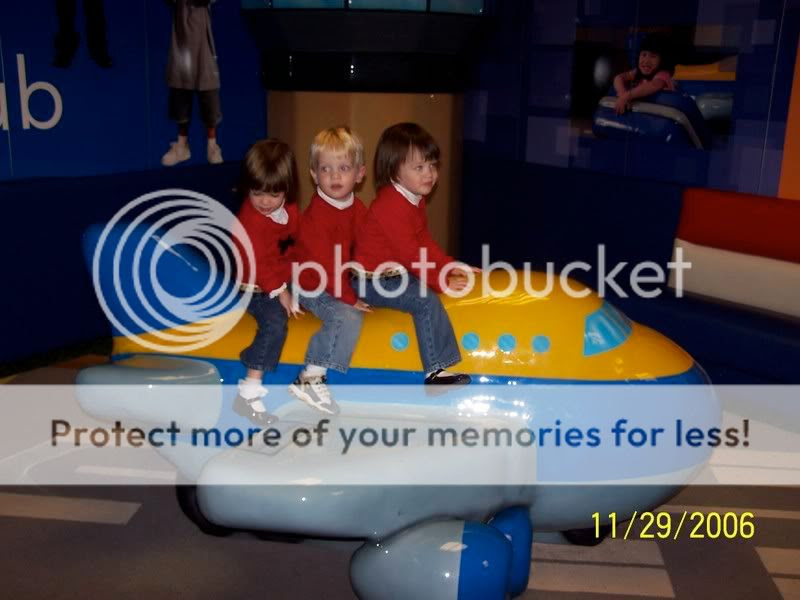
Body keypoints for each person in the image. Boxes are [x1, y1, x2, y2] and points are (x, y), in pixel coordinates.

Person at [354, 122, 477, 386]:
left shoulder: (413, 199)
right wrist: (441, 282)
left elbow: (424, 242)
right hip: (369, 281)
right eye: (419, 167)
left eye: (432, 165)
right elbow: (410, 254)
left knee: (423, 287)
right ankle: (435, 370)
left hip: (393, 273)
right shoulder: (391, 205)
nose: (429, 174)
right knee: (425, 301)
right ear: (394, 171)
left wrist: (449, 265)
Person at [289, 127, 371, 414]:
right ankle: (310, 376)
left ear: (359, 174)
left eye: (343, 168)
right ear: (314, 174)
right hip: (310, 282)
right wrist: (350, 299)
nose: (335, 176)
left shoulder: (357, 208)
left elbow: (372, 243)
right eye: (326, 169)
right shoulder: (317, 218)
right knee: (346, 316)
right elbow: (326, 268)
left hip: (337, 277)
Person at [233, 139, 303, 425]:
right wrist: (281, 291)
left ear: (287, 189)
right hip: (254, 287)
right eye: (257, 193)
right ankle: (248, 392)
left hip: (281, 275)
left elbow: (296, 243)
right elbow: (258, 263)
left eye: (273, 194)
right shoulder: (249, 222)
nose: (264, 201)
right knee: (274, 322)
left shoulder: (290, 210)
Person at [161, 0, 223, 166]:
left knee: (209, 94)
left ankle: (212, 146)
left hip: (203, 45)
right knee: (180, 92)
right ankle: (182, 146)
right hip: (181, 44)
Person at [613, 33, 676, 115]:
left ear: (663, 60)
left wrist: (627, 96)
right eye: (644, 55)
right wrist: (622, 94)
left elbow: (653, 85)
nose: (646, 61)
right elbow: (618, 78)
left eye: (653, 56)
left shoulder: (663, 74)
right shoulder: (637, 72)